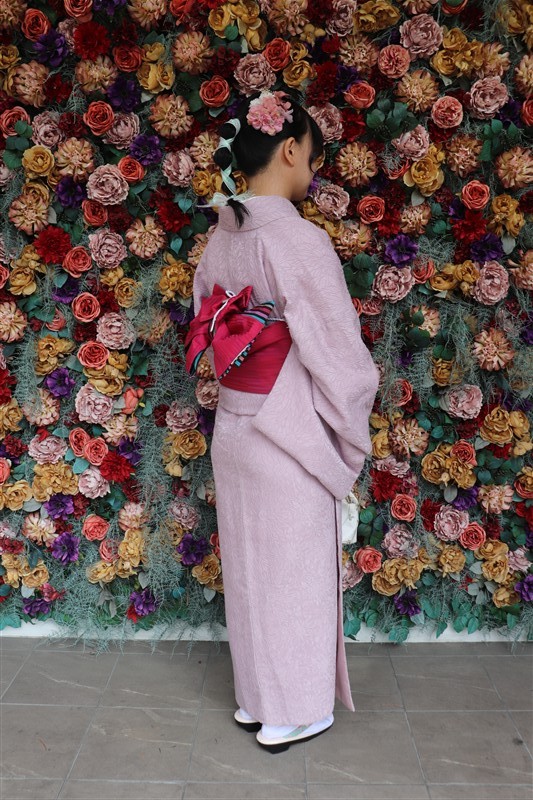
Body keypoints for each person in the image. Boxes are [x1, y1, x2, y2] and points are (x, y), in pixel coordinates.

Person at [185, 90, 380, 753]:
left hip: (237, 425)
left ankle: (256, 698)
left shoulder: (224, 233)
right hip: (286, 430)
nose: (313, 173)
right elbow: (336, 352)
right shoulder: (296, 238)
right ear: (290, 150)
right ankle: (292, 709)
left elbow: (209, 321)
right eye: (313, 159)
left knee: (251, 568)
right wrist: (347, 428)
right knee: (292, 575)